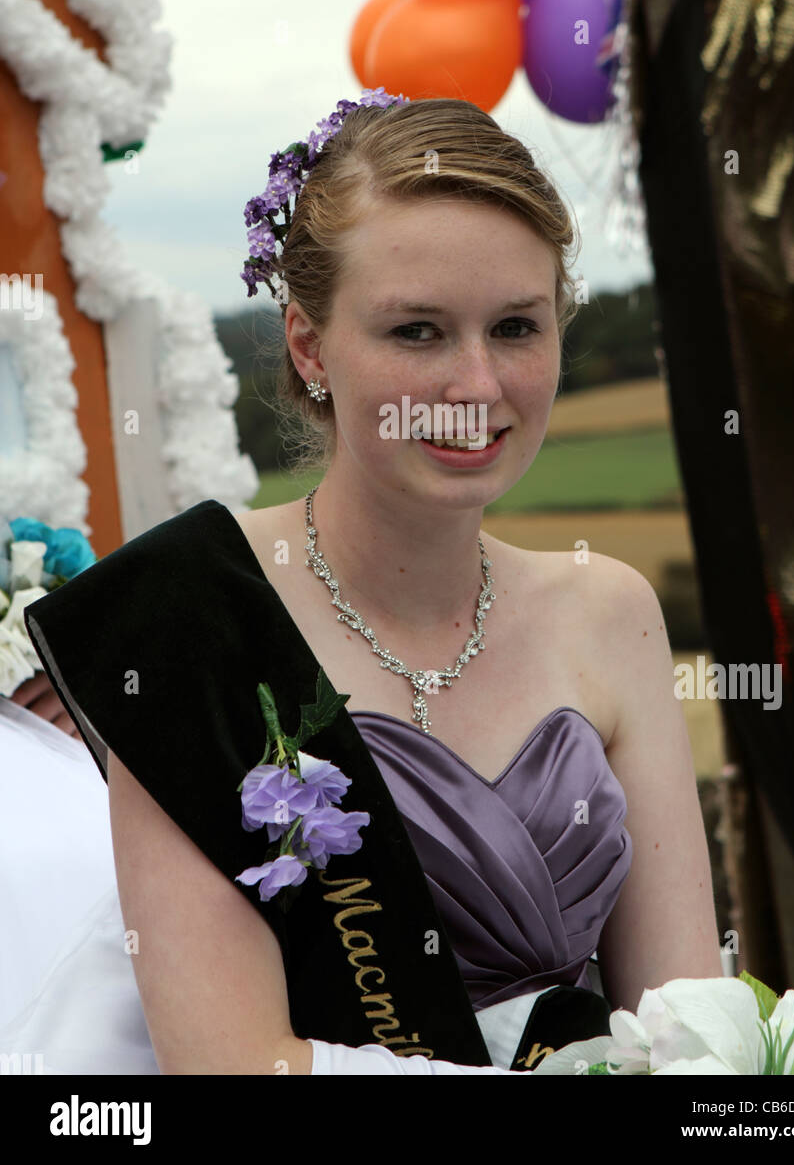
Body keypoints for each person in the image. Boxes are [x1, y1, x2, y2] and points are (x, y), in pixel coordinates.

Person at [16, 88, 721, 1075]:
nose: (476, 386)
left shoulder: (609, 614)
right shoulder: (185, 619)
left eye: (515, 326)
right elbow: (232, 1069)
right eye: (416, 332)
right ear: (308, 346)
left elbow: (692, 1040)